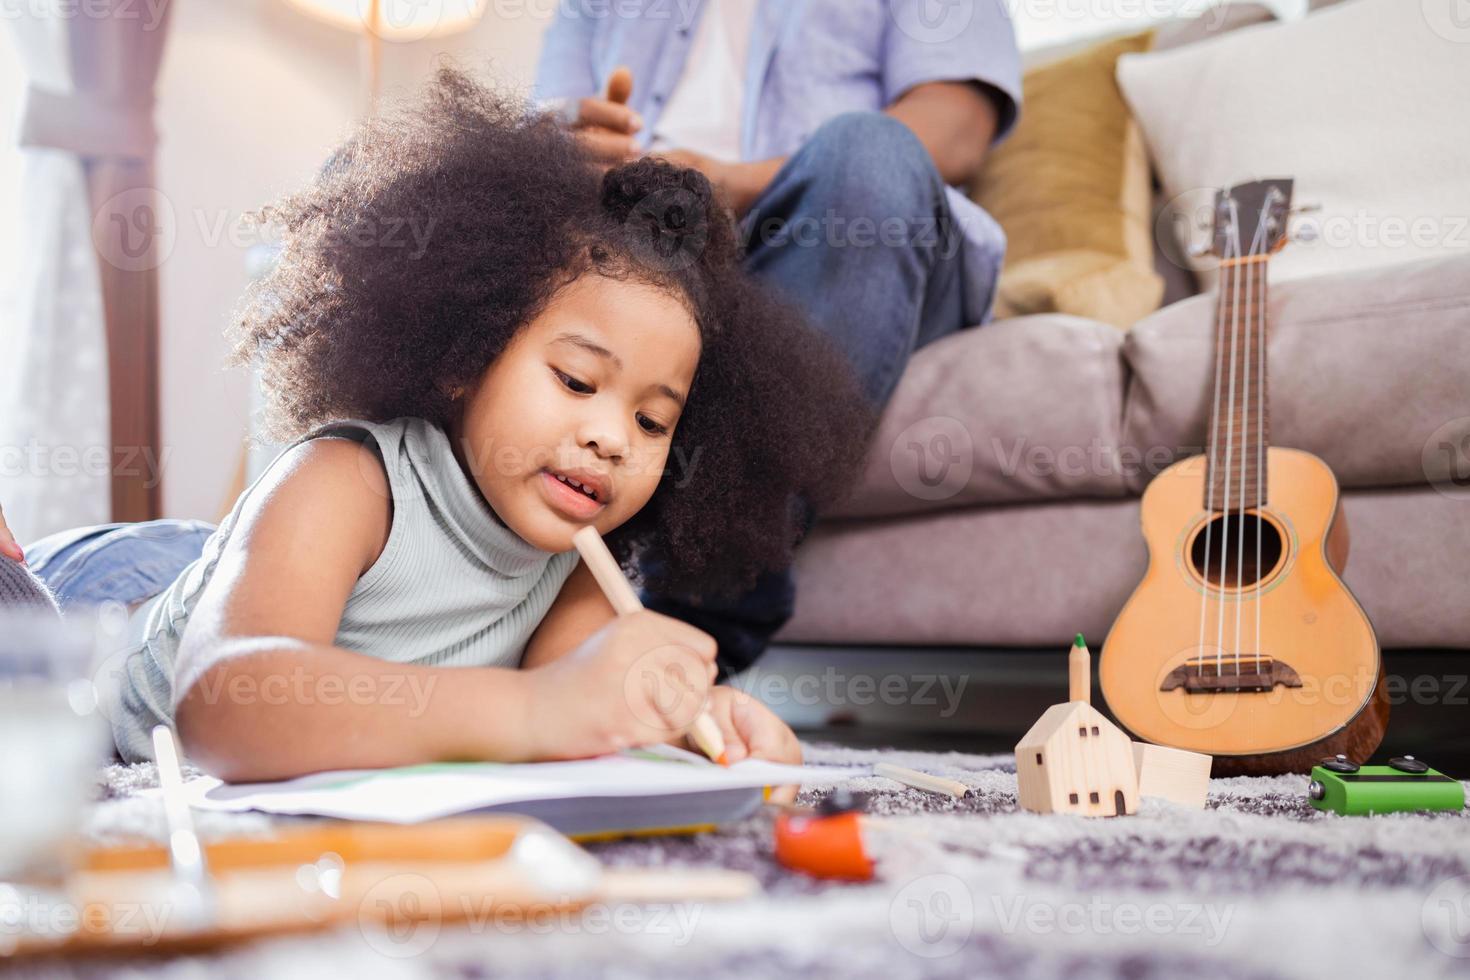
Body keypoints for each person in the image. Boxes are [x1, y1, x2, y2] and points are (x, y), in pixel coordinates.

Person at [0, 69, 874, 780]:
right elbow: (223, 706)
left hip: (228, 562)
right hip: (89, 624)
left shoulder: (581, 554)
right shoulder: (347, 482)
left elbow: (582, 714)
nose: (613, 437)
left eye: (652, 421)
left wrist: (694, 723)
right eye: (576, 380)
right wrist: (541, 709)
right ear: (465, 352)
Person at [536, 0, 1022, 672]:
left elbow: (959, 124)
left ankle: (696, 613)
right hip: (649, 251)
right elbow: (552, 118)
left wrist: (732, 186)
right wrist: (574, 146)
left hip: (834, 232)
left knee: (868, 153)